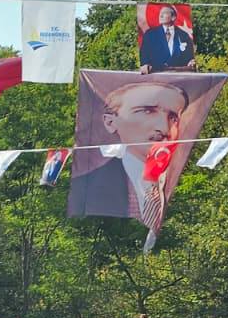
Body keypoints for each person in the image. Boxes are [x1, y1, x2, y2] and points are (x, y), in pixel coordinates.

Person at [69, 81, 188, 219]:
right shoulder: (84, 187)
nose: (164, 128)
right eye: (148, 111)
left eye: (173, 117)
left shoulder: (187, 180)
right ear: (110, 122)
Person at [138, 5, 195, 71]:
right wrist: (145, 65)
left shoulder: (183, 35)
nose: (160, 15)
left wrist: (191, 61)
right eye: (160, 13)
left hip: (178, 74)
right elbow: (144, 55)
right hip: (155, 74)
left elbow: (189, 57)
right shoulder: (150, 35)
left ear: (173, 17)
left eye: (164, 13)